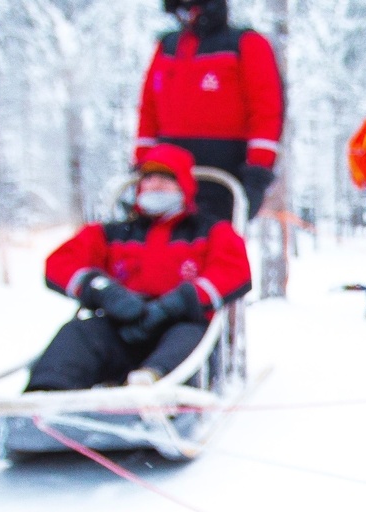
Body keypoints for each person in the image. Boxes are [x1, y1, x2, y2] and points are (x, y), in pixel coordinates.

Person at [27, 145, 251, 391]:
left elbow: (234, 271)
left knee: (188, 337)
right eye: (148, 178)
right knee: (79, 333)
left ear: (184, 186)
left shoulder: (210, 231)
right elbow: (59, 263)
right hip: (122, 325)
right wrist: (102, 290)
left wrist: (181, 300)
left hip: (181, 326)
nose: (155, 185)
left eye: (166, 179)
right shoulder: (112, 234)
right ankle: (42, 398)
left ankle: (151, 389)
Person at [135, 0, 285, 221]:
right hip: (166, 175)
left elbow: (266, 110)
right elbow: (148, 110)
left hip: (223, 174)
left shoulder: (246, 44)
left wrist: (258, 172)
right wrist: (142, 165)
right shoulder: (166, 47)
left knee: (216, 247)